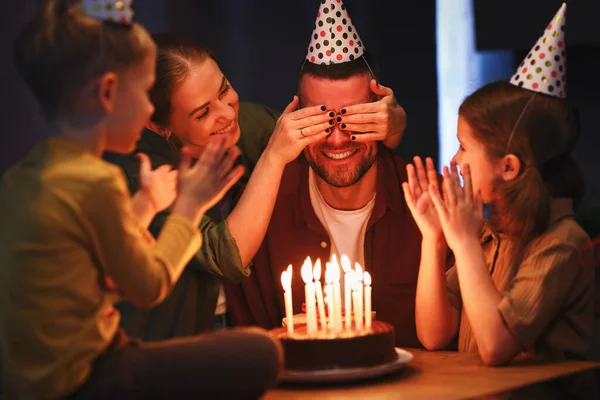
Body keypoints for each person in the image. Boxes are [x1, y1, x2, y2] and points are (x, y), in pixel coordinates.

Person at [0, 1, 281, 399]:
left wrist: (147, 205)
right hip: (86, 377)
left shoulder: (20, 179)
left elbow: (104, 275)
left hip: (29, 382)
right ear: (108, 93)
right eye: (145, 97)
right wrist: (189, 206)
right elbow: (147, 286)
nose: (151, 113)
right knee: (260, 351)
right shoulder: (99, 181)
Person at [104, 31, 407, 338]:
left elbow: (328, 148)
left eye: (224, 91)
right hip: (168, 340)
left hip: (236, 324)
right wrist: (273, 157)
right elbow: (224, 256)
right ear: (158, 126)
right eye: (203, 112)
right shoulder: (138, 174)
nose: (227, 114)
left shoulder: (248, 124)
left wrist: (393, 125)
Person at [406, 4, 595, 397]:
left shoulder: (562, 243)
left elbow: (495, 346)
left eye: (463, 147)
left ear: (507, 167)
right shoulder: (492, 233)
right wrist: (435, 239)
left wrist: (463, 243)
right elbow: (433, 334)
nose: (455, 160)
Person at [225, 0, 427, 348]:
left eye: (353, 119)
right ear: (295, 117)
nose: (336, 139)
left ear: (382, 113)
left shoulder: (424, 206)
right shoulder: (264, 214)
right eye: (320, 121)